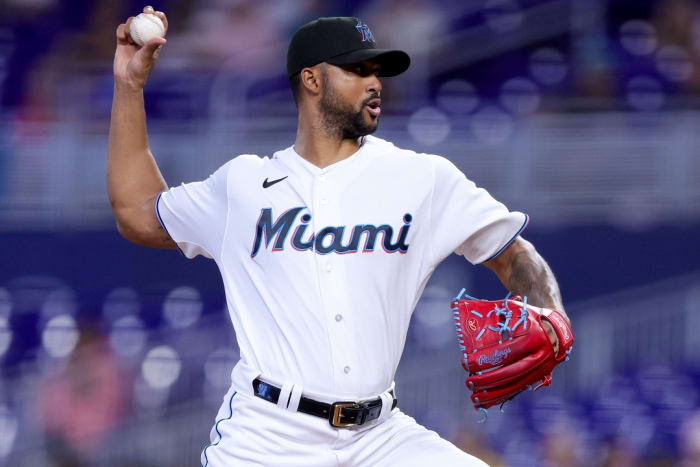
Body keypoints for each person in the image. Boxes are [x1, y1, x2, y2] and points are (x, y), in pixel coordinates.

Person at [108, 7, 568, 466]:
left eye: (377, 71)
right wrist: (129, 86)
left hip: (379, 437)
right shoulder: (242, 187)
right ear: (311, 80)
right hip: (266, 437)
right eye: (357, 69)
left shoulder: (422, 178)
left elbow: (514, 253)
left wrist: (549, 309)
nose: (375, 82)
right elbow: (136, 213)